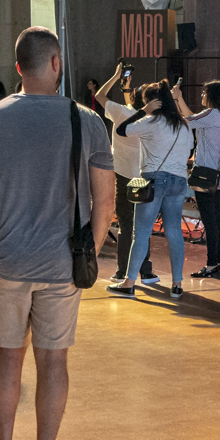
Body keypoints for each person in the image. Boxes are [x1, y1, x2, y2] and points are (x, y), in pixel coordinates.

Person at [0, 27, 114, 440]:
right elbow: (105, 201)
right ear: (56, 63)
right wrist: (91, 244)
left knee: (7, 360)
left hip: (6, 260)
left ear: (17, 69)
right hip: (62, 263)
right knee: (54, 363)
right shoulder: (86, 120)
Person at [114, 81, 196, 295]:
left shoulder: (150, 121)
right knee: (174, 232)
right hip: (179, 181)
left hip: (154, 180)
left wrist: (142, 111)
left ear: (152, 102)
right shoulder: (184, 125)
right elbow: (188, 152)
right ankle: (177, 285)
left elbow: (121, 130)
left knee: (141, 232)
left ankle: (128, 284)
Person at [96, 65, 156, 283]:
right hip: (144, 176)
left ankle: (122, 270)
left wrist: (115, 76)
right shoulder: (150, 120)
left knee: (125, 225)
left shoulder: (121, 113)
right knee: (144, 224)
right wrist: (128, 91)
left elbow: (99, 95)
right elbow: (133, 107)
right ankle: (146, 270)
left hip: (122, 176)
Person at [187, 80, 220, 279]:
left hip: (205, 174)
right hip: (217, 174)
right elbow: (193, 118)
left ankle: (210, 264)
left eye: (204, 93)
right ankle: (217, 263)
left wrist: (179, 99)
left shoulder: (212, 113)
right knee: (216, 219)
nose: (201, 97)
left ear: (212, 96)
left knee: (210, 221)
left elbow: (188, 120)